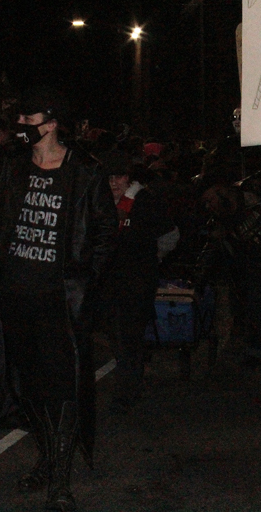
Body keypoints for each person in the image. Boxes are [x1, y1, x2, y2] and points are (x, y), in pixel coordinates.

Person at [0, 85, 117, 511]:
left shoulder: (85, 172)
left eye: (28, 121)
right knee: (25, 390)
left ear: (51, 125)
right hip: (13, 299)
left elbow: (106, 235)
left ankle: (59, 479)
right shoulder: (12, 164)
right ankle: (48, 458)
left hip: (57, 303)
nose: (20, 126)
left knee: (62, 390)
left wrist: (83, 284)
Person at [98, 150, 177, 413]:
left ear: (128, 177)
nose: (113, 183)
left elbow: (169, 234)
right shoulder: (100, 203)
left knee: (129, 336)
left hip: (137, 281)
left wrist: (153, 259)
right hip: (109, 282)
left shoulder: (144, 201)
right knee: (117, 336)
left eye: (118, 177)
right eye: (108, 177)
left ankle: (126, 392)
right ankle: (129, 383)